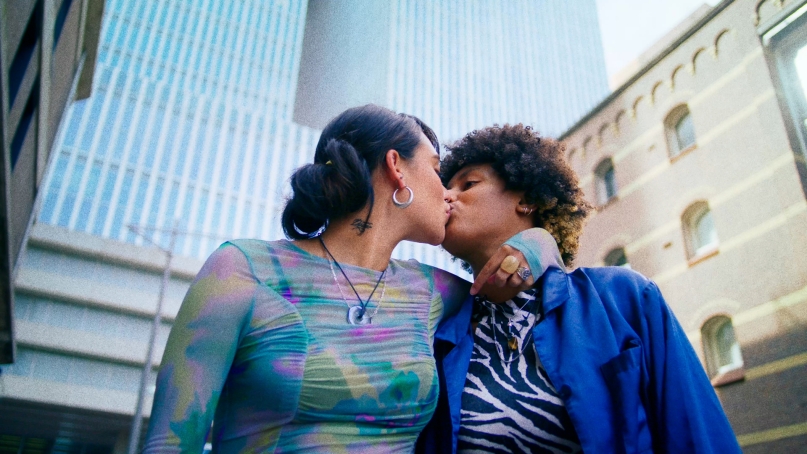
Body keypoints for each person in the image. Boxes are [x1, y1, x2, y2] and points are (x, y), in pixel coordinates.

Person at [143, 106, 545, 453]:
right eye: (438, 172)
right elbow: (170, 443)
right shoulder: (242, 270)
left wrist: (537, 243)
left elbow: (529, 288)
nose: (447, 194)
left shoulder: (434, 292)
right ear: (396, 167)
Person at [417, 124, 742, 453]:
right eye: (445, 187)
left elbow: (697, 434)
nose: (445, 195)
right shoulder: (437, 329)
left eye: (468, 183)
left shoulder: (622, 298)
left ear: (527, 199)